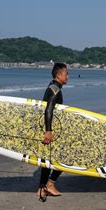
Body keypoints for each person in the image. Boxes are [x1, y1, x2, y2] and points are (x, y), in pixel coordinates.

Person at [36, 62, 69, 201]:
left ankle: (42, 188)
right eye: (66, 74)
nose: (68, 77)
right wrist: (49, 131)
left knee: (46, 159)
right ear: (59, 75)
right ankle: (50, 184)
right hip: (50, 129)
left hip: (48, 127)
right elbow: (48, 109)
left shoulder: (52, 86)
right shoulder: (55, 90)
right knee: (65, 158)